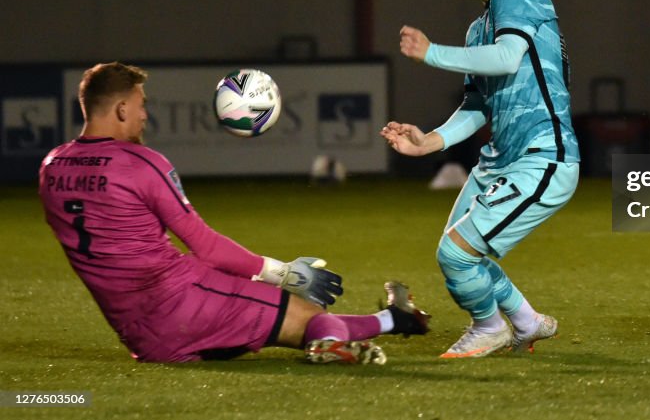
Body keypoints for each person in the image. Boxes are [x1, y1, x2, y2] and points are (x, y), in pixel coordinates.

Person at [39, 62, 430, 364]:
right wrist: (285, 273)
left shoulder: (52, 167)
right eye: (141, 107)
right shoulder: (141, 163)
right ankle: (330, 344)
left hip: (138, 334)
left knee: (277, 315)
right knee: (308, 317)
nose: (145, 116)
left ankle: (397, 319)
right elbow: (205, 246)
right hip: (182, 302)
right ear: (122, 109)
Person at [381, 0, 580, 358]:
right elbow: (476, 107)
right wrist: (429, 141)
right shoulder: (479, 28)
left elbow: (509, 57)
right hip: (499, 160)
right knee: (461, 255)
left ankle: (490, 327)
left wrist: (432, 54)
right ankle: (527, 323)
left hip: (542, 157)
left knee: (458, 255)